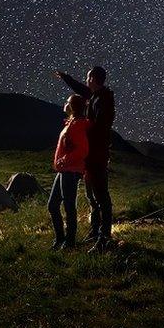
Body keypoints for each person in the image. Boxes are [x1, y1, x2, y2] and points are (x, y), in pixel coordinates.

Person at [54, 66, 115, 252]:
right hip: (91, 155)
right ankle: (95, 231)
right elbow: (80, 89)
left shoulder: (104, 99)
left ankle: (104, 238)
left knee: (101, 196)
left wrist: (83, 133)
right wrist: (66, 77)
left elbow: (101, 127)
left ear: (94, 79)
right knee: (92, 196)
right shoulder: (95, 96)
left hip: (97, 155)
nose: (86, 80)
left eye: (88, 77)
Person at [48, 94, 91, 250]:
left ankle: (69, 242)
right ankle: (61, 239)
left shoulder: (78, 124)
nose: (65, 104)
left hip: (70, 171)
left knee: (68, 206)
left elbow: (83, 150)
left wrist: (64, 160)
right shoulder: (71, 123)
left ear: (72, 106)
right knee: (53, 205)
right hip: (64, 170)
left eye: (67, 102)